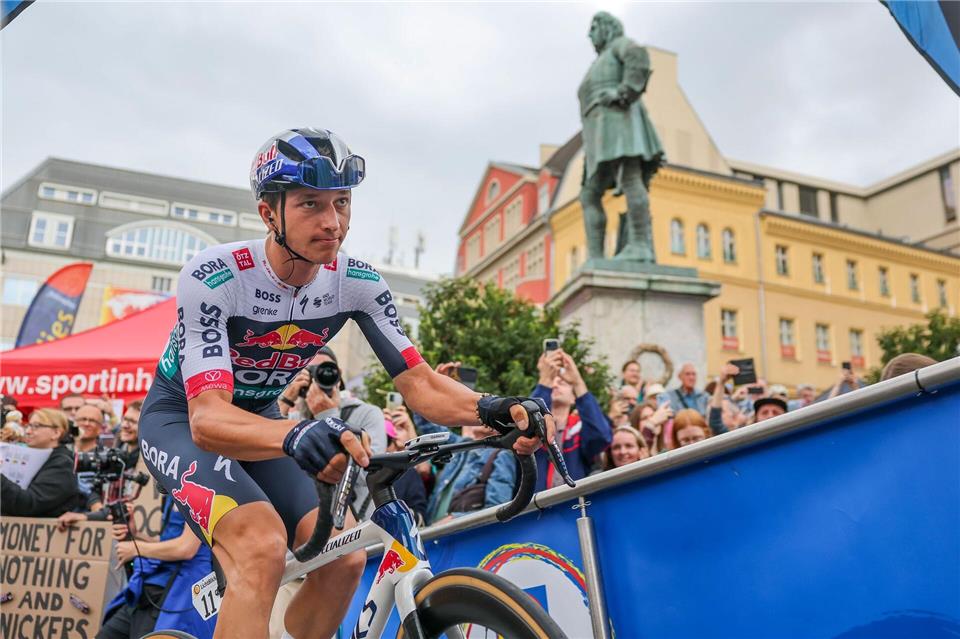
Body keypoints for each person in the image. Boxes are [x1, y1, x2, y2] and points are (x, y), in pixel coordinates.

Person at [135, 127, 553, 639]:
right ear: (269, 213)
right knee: (261, 546)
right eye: (310, 204)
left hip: (265, 417)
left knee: (344, 558)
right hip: (182, 417)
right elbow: (208, 419)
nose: (332, 222)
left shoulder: (355, 282)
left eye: (342, 202)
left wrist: (493, 408)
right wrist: (293, 433)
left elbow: (420, 385)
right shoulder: (216, 276)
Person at [93, 496, 217, 639]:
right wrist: (135, 533)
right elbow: (167, 541)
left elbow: (187, 548)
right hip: (153, 585)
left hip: (181, 591)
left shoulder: (199, 489)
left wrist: (136, 548)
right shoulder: (171, 492)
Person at [412, 363, 519, 525]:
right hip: (432, 537)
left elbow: (497, 508)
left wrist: (453, 520)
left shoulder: (502, 456)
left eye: (486, 411)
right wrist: (433, 388)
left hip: (460, 540)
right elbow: (426, 422)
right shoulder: (461, 445)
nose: (477, 414)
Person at [531, 348, 612, 489]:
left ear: (574, 398)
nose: (555, 385)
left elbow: (601, 437)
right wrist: (544, 381)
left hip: (574, 504)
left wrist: (578, 382)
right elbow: (525, 424)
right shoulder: (537, 426)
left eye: (561, 383)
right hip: (536, 505)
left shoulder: (579, 429)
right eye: (552, 383)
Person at [1, 408, 79, 517]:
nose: (28, 431)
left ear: (56, 433)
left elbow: (29, 504)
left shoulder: (62, 465)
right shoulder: (37, 457)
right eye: (28, 426)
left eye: (36, 426)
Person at [73, 403, 106, 512]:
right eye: (82, 419)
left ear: (100, 428)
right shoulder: (62, 452)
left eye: (92, 421)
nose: (86, 423)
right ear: (74, 423)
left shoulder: (105, 457)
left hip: (91, 518)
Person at [118, 400, 142, 468]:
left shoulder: (149, 461)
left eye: (133, 422)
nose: (125, 425)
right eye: (125, 419)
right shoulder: (119, 447)